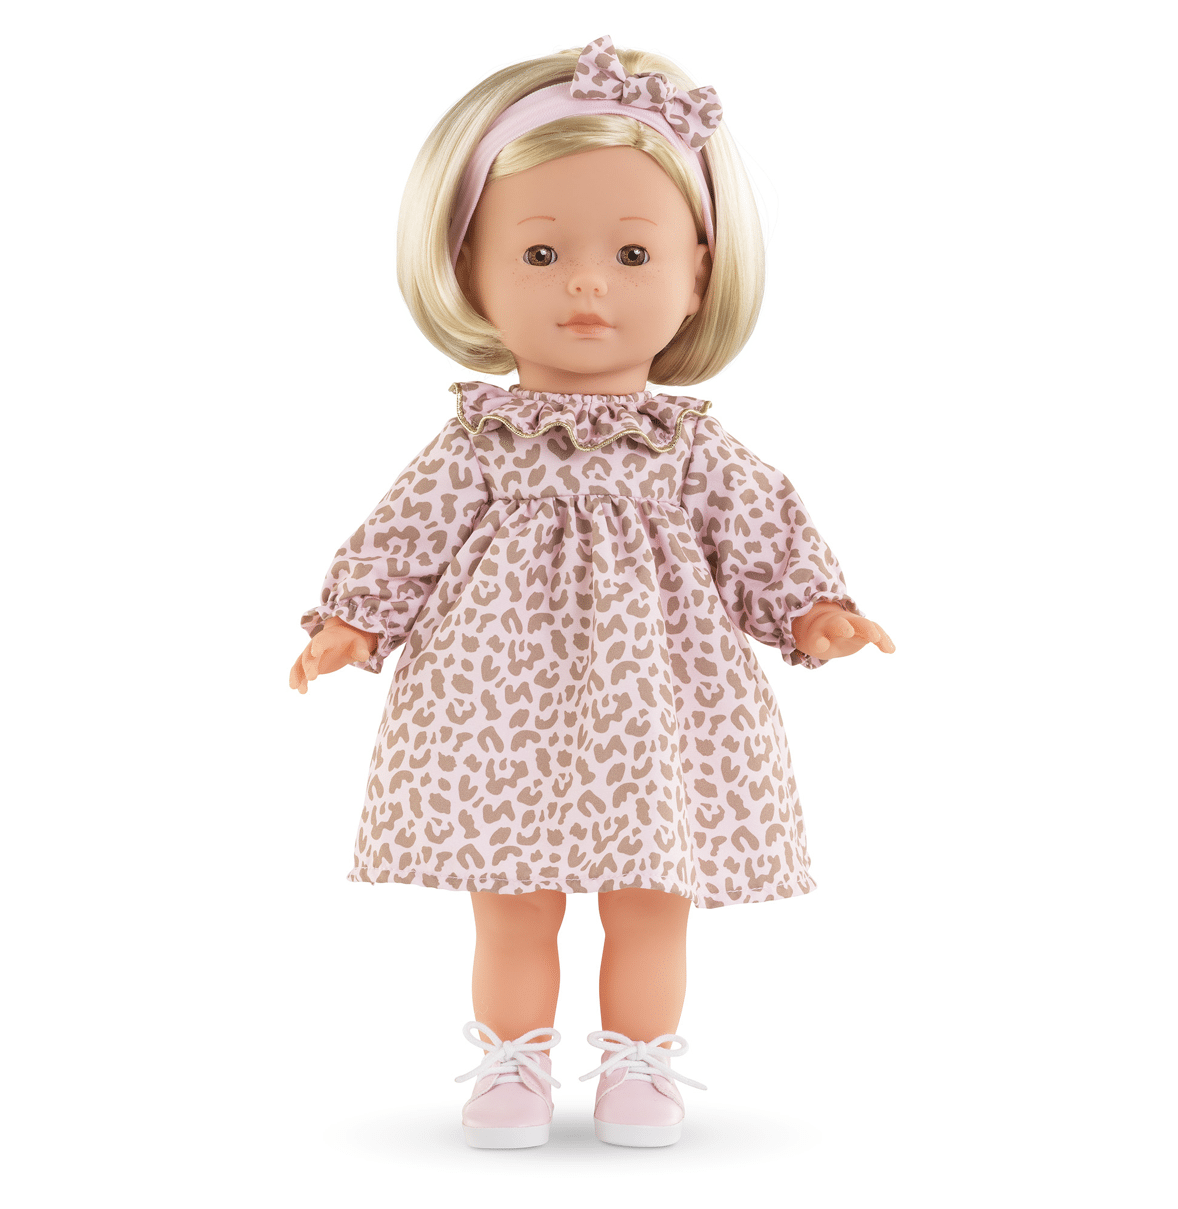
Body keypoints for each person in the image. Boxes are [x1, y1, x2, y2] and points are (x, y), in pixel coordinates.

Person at [290, 35, 894, 1150]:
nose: (584, 282)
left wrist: (813, 610)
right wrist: (353, 622)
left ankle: (638, 1066)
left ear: (697, 273)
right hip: (496, 701)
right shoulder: (479, 443)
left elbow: (757, 531)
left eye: (631, 252)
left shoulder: (687, 448)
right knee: (511, 901)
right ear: (468, 269)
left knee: (651, 899)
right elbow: (405, 536)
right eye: (539, 252)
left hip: (656, 706)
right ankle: (512, 1065)